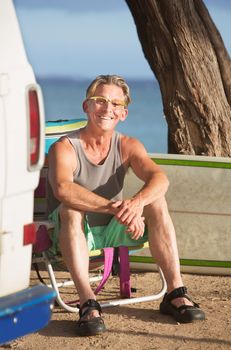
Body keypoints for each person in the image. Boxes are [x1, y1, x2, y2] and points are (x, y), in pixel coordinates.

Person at [48, 74, 205, 336]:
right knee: (71, 208)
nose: (107, 108)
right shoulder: (64, 147)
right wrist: (118, 209)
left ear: (123, 113)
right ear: (86, 106)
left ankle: (175, 292)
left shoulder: (128, 145)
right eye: (99, 100)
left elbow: (160, 178)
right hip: (68, 233)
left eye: (115, 104)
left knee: (156, 200)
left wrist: (135, 203)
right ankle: (88, 302)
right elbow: (64, 189)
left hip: (113, 228)